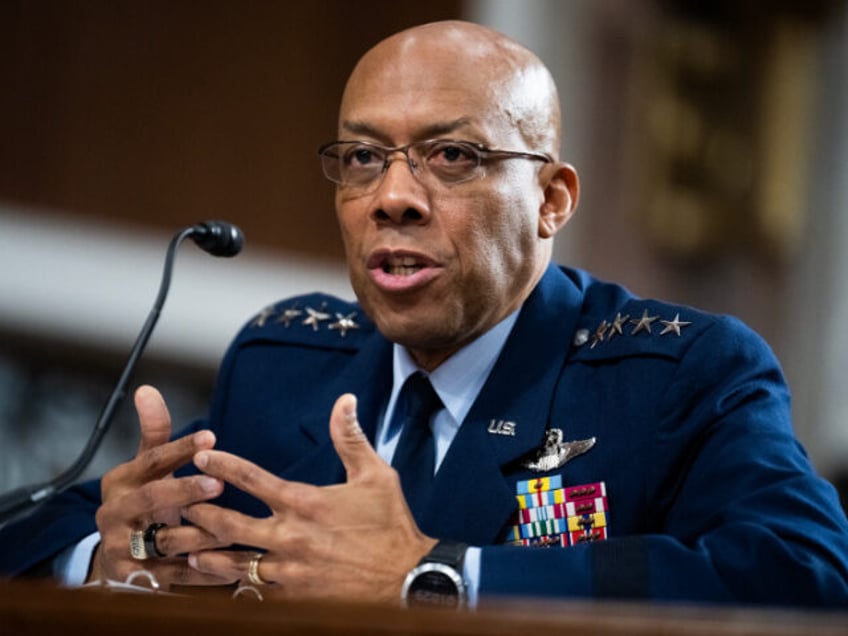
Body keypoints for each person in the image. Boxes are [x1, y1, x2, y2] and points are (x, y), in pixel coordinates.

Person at [1, 19, 847, 608]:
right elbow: (48, 526)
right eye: (364, 158)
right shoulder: (285, 360)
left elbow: (806, 571)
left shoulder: (675, 376)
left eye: (452, 156)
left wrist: (439, 577)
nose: (393, 197)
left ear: (552, 199)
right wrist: (105, 554)